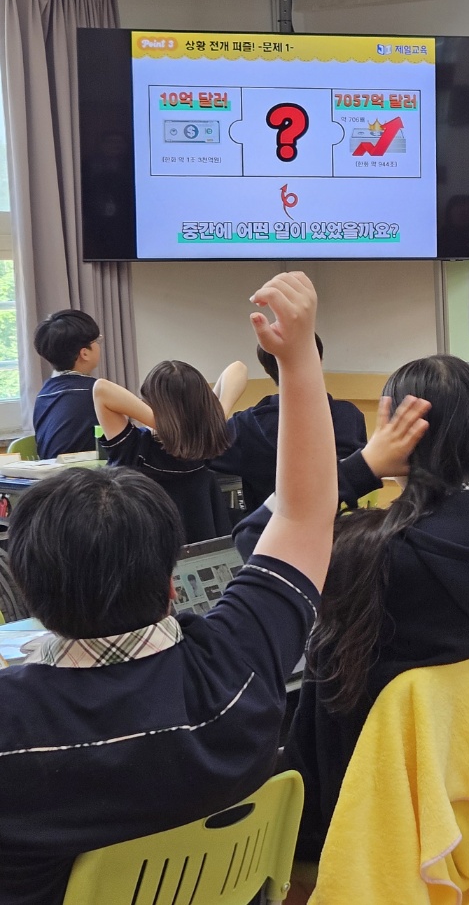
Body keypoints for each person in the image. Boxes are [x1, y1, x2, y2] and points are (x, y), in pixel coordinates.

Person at [0, 271, 337, 905]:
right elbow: (304, 515)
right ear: (172, 583)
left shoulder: (13, 727)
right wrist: (298, 357)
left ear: (27, 590)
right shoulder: (239, 663)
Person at [246, 354, 469, 862]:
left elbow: (257, 543)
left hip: (352, 803)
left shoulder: (378, 554)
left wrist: (364, 466)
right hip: (466, 793)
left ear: (402, 436)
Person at [212, 335, 369, 511]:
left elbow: (202, 453)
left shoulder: (244, 426)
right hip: (337, 526)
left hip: (267, 525)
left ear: (267, 370)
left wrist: (221, 408)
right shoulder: (348, 417)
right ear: (319, 360)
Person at [93, 360, 239, 542]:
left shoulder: (133, 448)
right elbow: (238, 368)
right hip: (201, 552)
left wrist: (168, 425)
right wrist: (214, 419)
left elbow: (101, 390)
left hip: (147, 552)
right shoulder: (203, 446)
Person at [32, 308, 101, 459]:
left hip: (51, 473)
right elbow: (150, 418)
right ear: (84, 353)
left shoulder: (44, 393)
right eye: (97, 341)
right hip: (86, 473)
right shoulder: (97, 389)